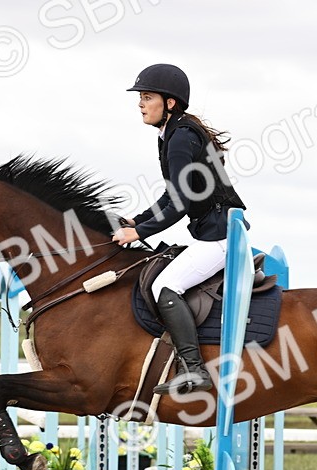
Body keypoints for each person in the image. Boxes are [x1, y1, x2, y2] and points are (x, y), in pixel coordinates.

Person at [111, 63, 247, 395]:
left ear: (170, 103)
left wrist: (140, 234)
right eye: (140, 98)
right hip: (217, 230)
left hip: (222, 235)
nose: (140, 104)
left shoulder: (181, 137)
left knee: (165, 286)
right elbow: (171, 194)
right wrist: (137, 220)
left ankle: (194, 369)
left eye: (147, 97)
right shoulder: (172, 134)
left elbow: (181, 201)